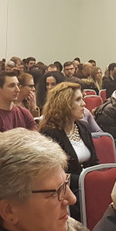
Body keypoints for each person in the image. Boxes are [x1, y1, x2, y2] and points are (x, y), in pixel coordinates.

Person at [39, 83, 99, 220]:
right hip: (67, 190)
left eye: (82, 99)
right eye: (78, 100)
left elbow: (95, 161)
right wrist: (87, 180)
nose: (84, 104)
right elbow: (54, 173)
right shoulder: (50, 133)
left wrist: (94, 179)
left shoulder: (83, 127)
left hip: (88, 185)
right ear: (64, 104)